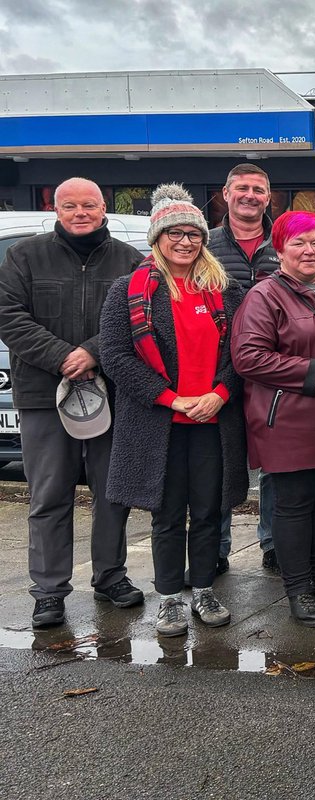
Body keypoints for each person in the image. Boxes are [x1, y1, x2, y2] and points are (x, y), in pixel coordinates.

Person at [99, 184, 248, 637]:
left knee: (207, 510)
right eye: (175, 234)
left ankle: (202, 588)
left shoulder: (226, 288)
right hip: (158, 421)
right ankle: (168, 599)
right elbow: (115, 355)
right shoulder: (129, 290)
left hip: (212, 420)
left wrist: (221, 393)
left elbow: (243, 351)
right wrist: (170, 397)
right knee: (166, 515)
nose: (185, 242)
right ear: (157, 238)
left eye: (194, 234)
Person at [0, 177, 143, 628]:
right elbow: (8, 316)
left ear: (103, 208)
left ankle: (111, 576)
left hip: (112, 391)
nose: (80, 213)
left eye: (89, 205)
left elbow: (140, 317)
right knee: (48, 496)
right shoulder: (22, 256)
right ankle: (48, 591)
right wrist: (63, 357)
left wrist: (93, 352)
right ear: (55, 210)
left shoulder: (129, 259)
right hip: (45, 395)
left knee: (111, 492)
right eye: (70, 206)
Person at [231, 211, 315, 627]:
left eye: (314, 242)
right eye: (298, 243)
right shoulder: (264, 295)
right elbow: (247, 358)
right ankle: (299, 588)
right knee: (293, 506)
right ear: (279, 250)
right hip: (287, 418)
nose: (309, 251)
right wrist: (313, 370)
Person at [208, 163, 281, 576]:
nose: (250, 195)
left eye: (258, 189)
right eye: (242, 188)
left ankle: (271, 542)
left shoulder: (282, 242)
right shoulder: (206, 244)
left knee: (273, 463)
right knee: (220, 463)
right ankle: (217, 549)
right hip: (219, 368)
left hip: (273, 370)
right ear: (226, 192)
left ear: (268, 197)